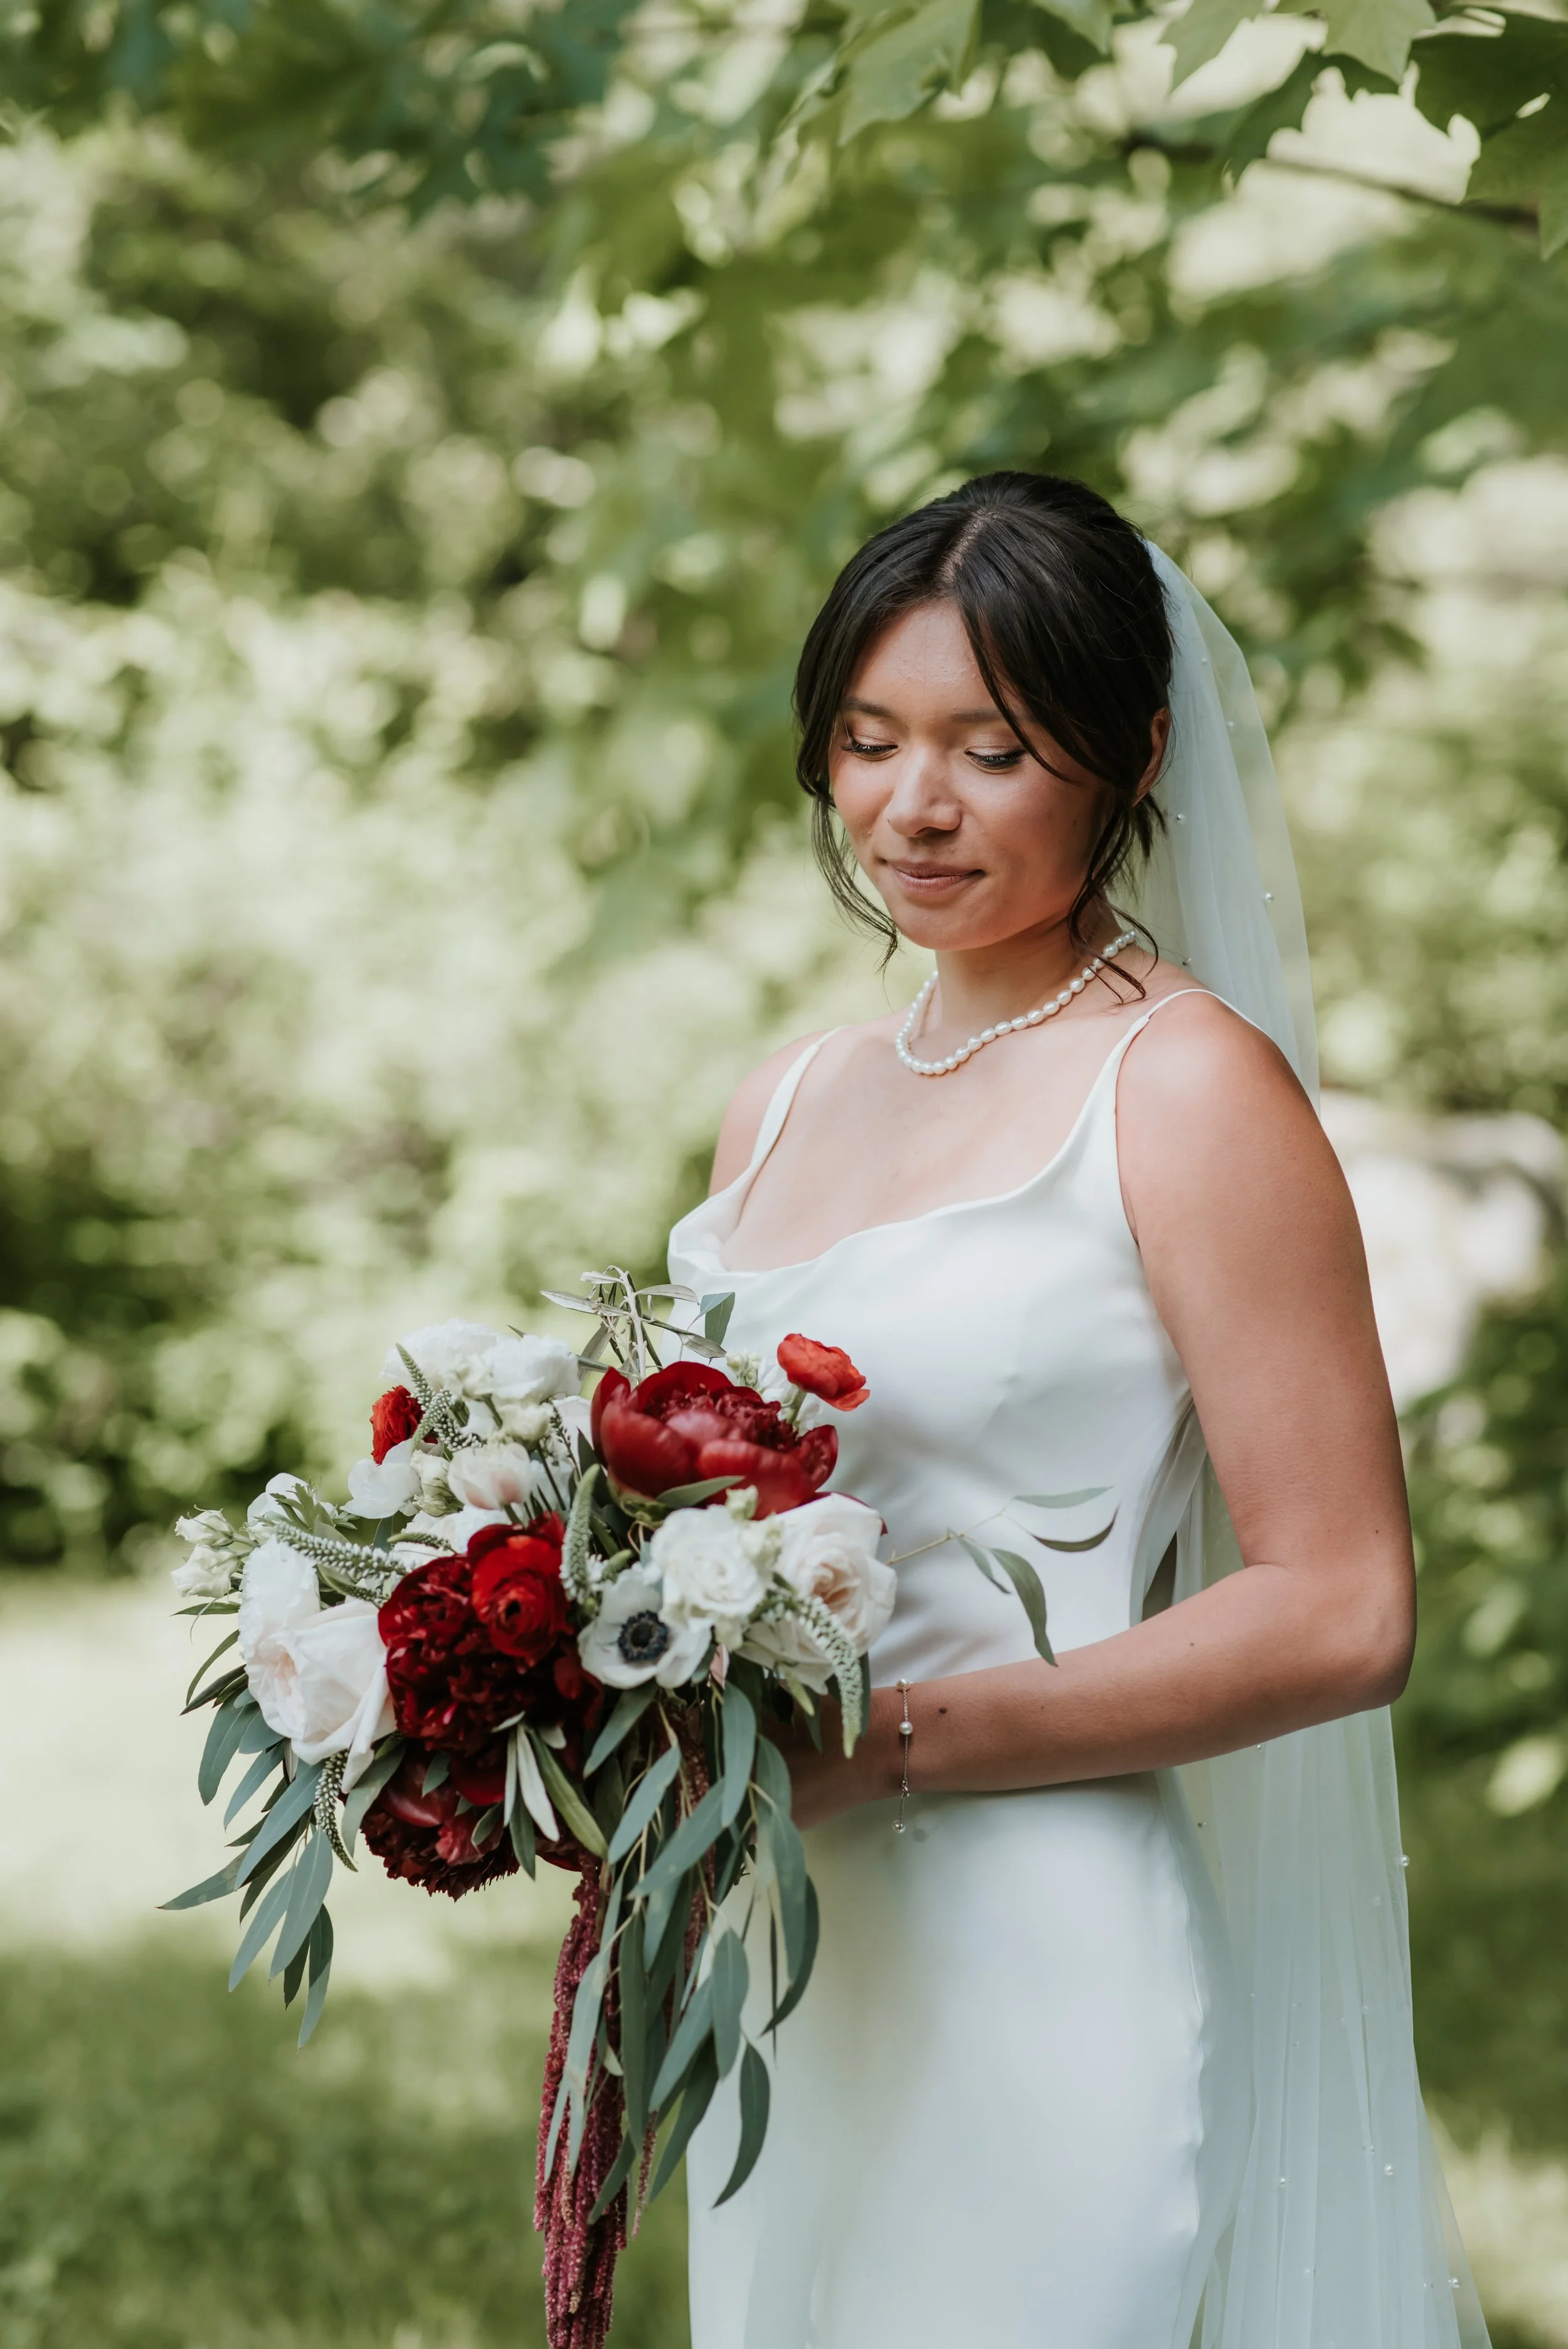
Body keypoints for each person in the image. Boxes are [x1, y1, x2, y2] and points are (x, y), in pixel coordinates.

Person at [666, 472, 1490, 2348]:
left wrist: (885, 1747)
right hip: (784, 1949)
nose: (909, 804)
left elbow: (1343, 1606)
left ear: (1130, 753)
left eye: (991, 746)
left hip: (1036, 1947)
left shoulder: (1188, 1089)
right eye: (866, 741)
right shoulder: (784, 1098)